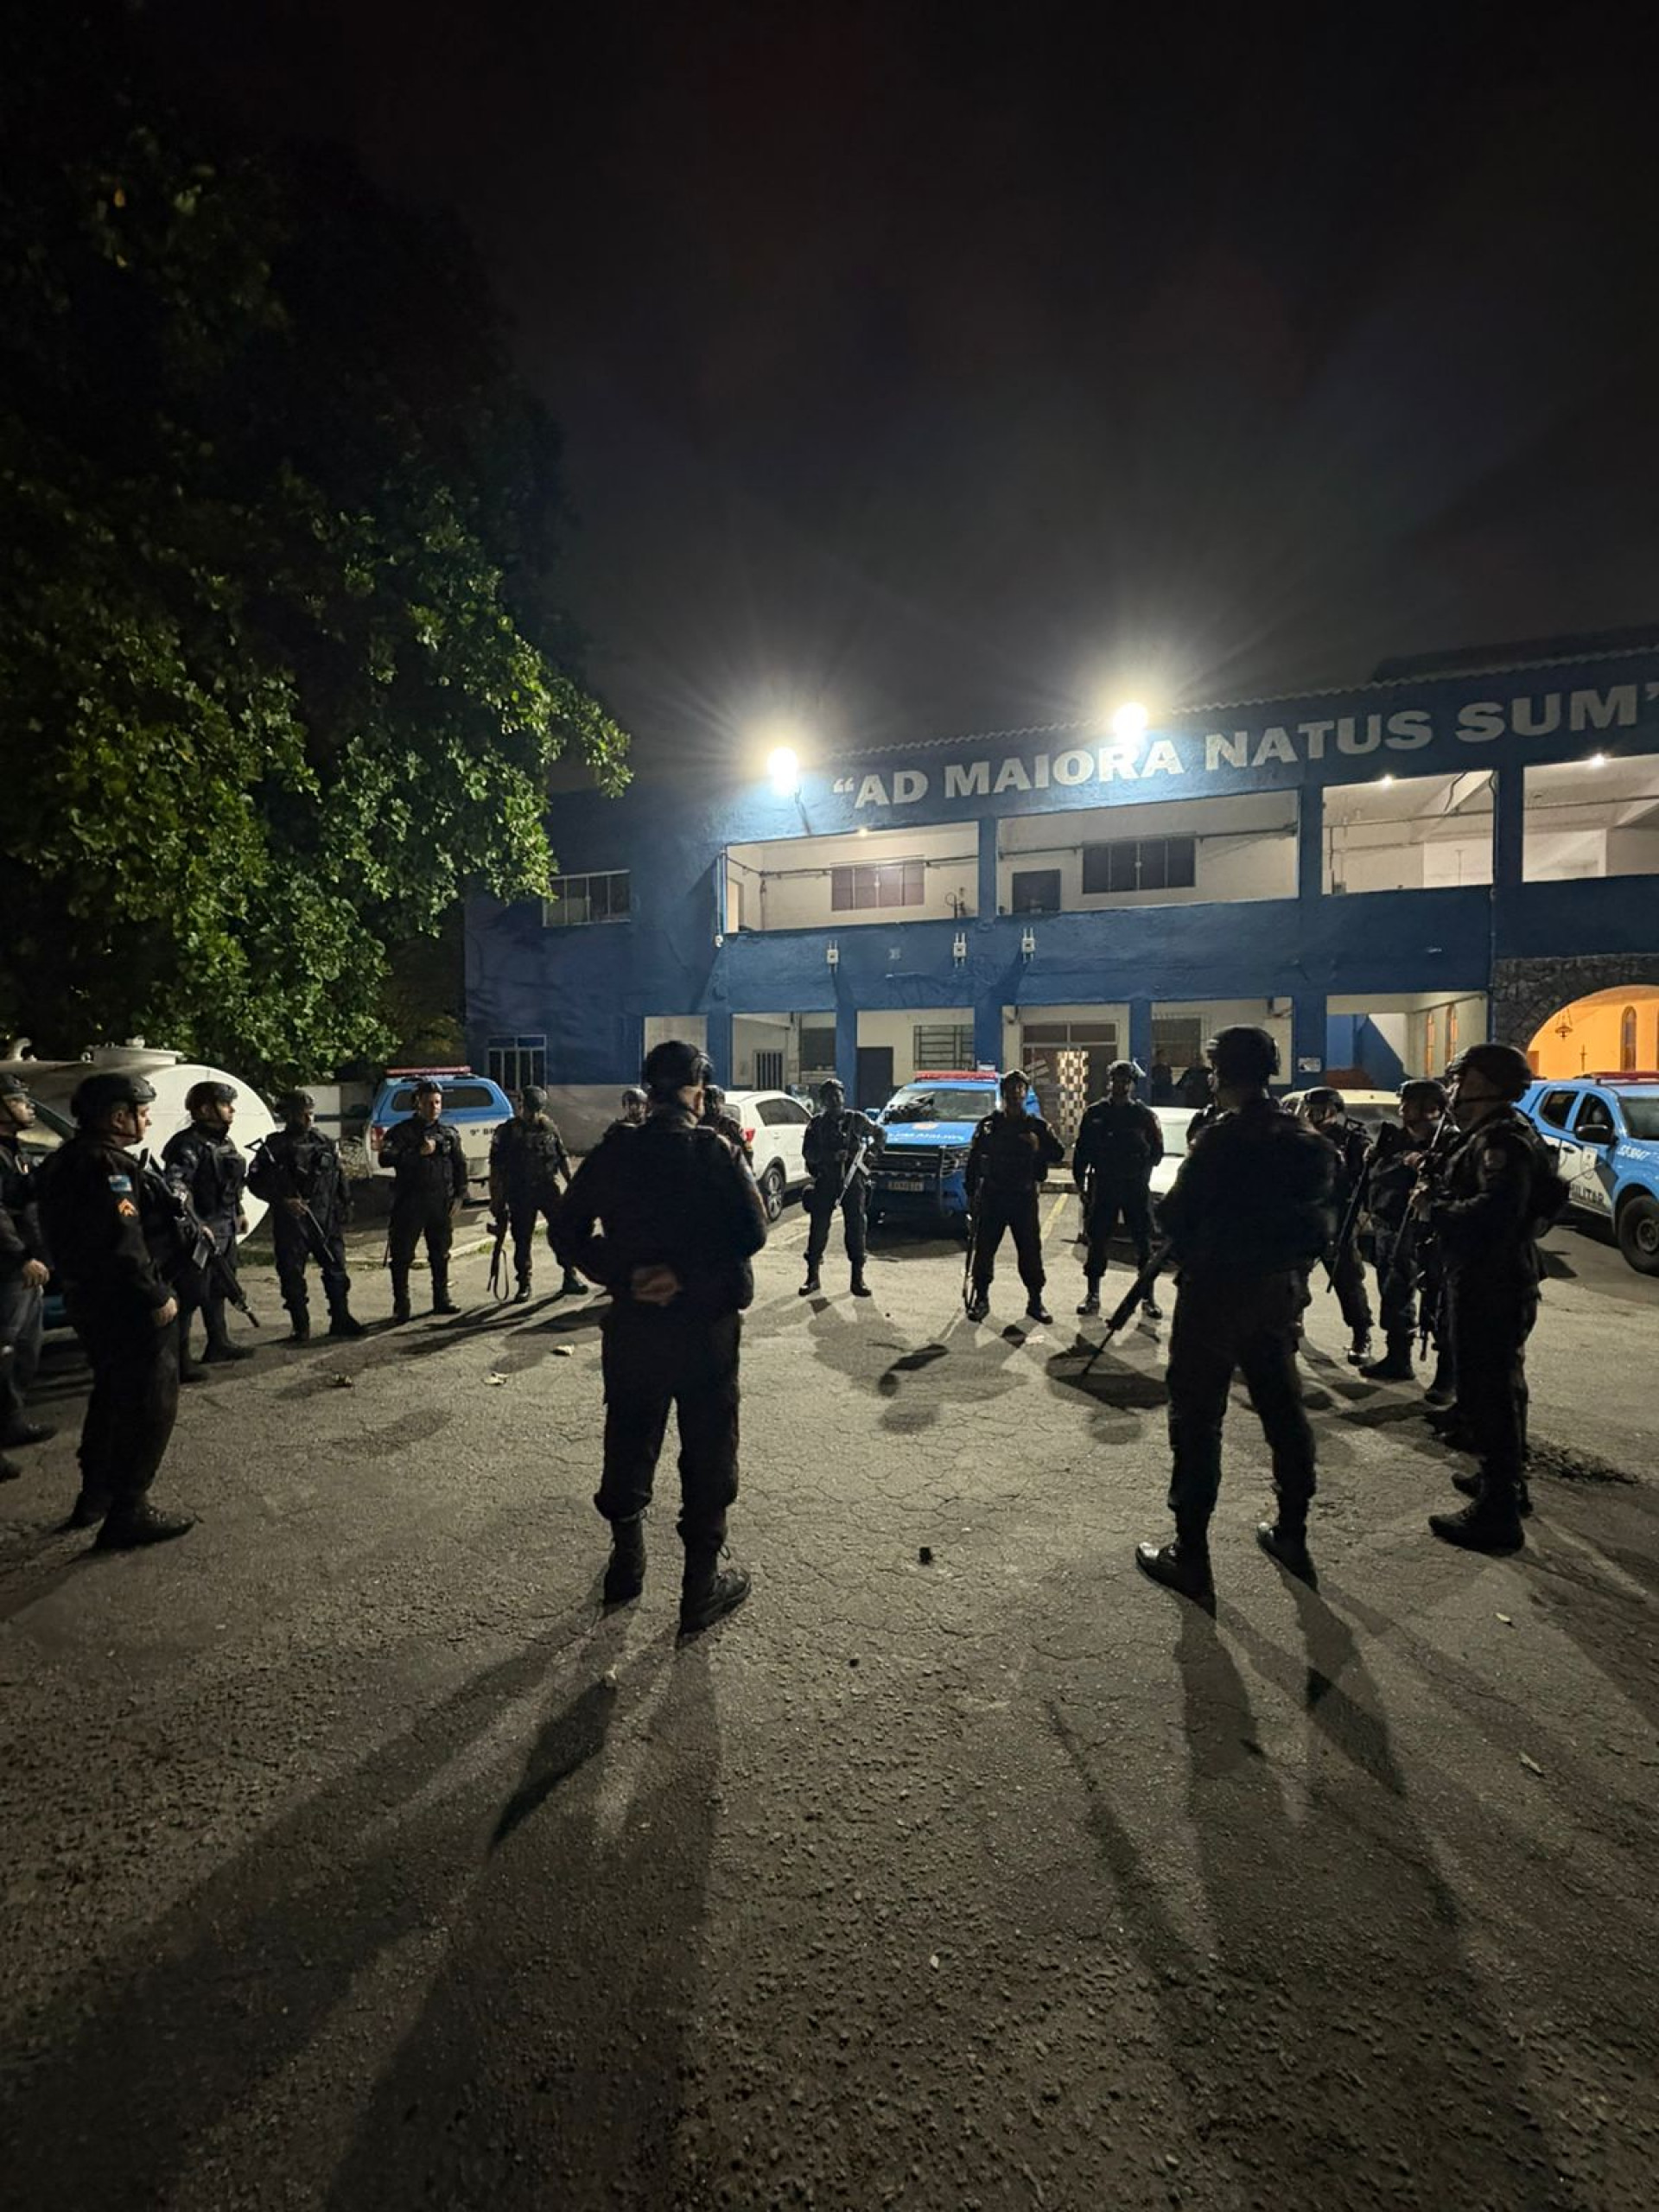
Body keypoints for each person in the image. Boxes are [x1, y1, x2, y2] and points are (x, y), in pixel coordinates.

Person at [555, 1039, 769, 1636]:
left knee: (629, 1436)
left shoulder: (617, 1150)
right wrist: (688, 1276)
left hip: (636, 1328)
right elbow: (752, 1234)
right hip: (704, 1331)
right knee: (707, 1451)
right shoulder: (714, 1151)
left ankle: (627, 1563)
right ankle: (699, 1588)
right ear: (696, 1085)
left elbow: (567, 1229)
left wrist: (626, 1275)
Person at [1135, 1027, 1336, 1600]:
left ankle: (1190, 1554)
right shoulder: (1306, 1138)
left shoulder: (1223, 1139)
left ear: (1221, 1072)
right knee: (1283, 1410)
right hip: (1278, 1293)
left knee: (1198, 1421)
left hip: (1217, 1295)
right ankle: (1292, 1530)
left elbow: (1170, 1216)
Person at [34, 1072, 194, 1548]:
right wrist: (155, 1295)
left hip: (92, 1299)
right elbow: (124, 1244)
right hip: (126, 1303)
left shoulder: (65, 1160)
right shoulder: (108, 1168)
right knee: (149, 1403)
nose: (145, 1119)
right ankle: (130, 1507)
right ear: (117, 1116)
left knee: (110, 1393)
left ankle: (96, 1495)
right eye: (140, 1112)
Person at [1420, 1043, 1558, 1554]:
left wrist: (1434, 1208)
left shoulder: (1500, 1139)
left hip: (1491, 1281)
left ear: (1486, 1082)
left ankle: (1497, 1513)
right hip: (1496, 1278)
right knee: (1502, 1386)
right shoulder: (1493, 1134)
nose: (1453, 1088)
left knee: (1489, 1393)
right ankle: (1505, 1482)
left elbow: (1494, 1213)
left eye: (1462, 1077)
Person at [246, 1090, 364, 1343]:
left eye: (310, 1114)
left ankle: (341, 1318)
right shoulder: (274, 1146)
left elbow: (338, 1174)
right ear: (289, 1116)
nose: (309, 1119)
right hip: (292, 1220)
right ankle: (301, 1325)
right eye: (303, 1115)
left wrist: (345, 1202)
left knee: (336, 1269)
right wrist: (283, 1200)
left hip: (325, 1216)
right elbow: (255, 1182)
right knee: (291, 1274)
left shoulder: (324, 1142)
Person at [1358, 1078, 1447, 1383]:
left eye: (1411, 1102)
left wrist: (1421, 1165)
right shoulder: (1393, 1139)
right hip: (1389, 1227)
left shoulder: (1444, 1143)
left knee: (1438, 1302)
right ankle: (1398, 1357)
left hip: (1426, 1232)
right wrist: (1373, 1159)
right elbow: (1378, 1179)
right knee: (1393, 1294)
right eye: (1404, 1101)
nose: (1403, 1107)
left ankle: (1446, 1375)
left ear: (1430, 1108)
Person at [162, 1079, 251, 1376]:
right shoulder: (187, 1145)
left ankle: (218, 1342)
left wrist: (238, 1212)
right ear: (204, 1110)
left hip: (224, 1226)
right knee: (190, 1294)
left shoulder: (224, 1143)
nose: (232, 1110)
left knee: (220, 1287)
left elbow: (231, 1183)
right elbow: (177, 1187)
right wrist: (195, 1225)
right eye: (226, 1105)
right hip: (200, 1232)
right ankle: (181, 1360)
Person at [964, 1070, 1065, 1325]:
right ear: (1003, 1094)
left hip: (1023, 1197)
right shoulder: (990, 1126)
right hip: (993, 1197)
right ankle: (982, 1299)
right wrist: (970, 1195)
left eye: (1020, 1090)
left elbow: (1058, 1153)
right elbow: (974, 1162)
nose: (1015, 1094)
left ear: (1025, 1094)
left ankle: (1035, 1301)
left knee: (1030, 1251)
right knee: (985, 1250)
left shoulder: (1036, 1126)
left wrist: (1037, 1146)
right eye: (1010, 1090)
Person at [1072, 1059, 1165, 1319]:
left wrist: (1142, 1175)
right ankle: (1092, 1295)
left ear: (1132, 1085)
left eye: (1125, 1081)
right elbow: (1082, 1153)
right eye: (1116, 1080)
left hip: (1135, 1187)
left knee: (1144, 1244)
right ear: (1109, 1082)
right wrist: (1082, 1186)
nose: (1120, 1085)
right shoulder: (1095, 1113)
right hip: (1105, 1186)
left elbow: (1157, 1152)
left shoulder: (1144, 1116)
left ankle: (1148, 1297)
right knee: (1097, 1242)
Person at [382, 1077, 469, 1321]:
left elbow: (460, 1166)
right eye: (429, 1103)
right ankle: (402, 1304)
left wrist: (460, 1196)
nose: (434, 1107)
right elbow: (385, 1158)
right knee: (402, 1256)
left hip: (440, 1204)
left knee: (440, 1254)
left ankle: (441, 1299)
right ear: (417, 1104)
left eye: (438, 1102)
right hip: (409, 1203)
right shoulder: (402, 1131)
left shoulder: (448, 1133)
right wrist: (415, 1153)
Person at [488, 1085, 584, 1302]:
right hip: (520, 1191)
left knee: (562, 1232)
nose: (532, 1115)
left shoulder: (549, 1128)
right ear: (521, 1106)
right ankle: (524, 1282)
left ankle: (570, 1275)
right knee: (522, 1239)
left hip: (547, 1188)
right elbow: (496, 1168)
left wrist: (573, 1186)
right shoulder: (508, 1132)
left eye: (536, 1110)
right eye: (528, 1109)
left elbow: (562, 1156)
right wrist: (496, 1199)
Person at [1, 1073, 54, 1470]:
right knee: (4, 1346)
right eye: (18, 1100)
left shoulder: (12, 1151)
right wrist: (21, 1256)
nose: (28, 1106)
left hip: (25, 1266)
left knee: (23, 1345)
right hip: (8, 1267)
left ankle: (11, 1418)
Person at [1300, 1086, 1375, 1364]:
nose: (1312, 1116)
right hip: (1304, 1216)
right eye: (1309, 1111)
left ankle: (1361, 1333)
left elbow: (1364, 1174)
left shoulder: (1350, 1140)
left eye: (1318, 1111)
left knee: (1347, 1279)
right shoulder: (1300, 1138)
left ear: (1334, 1111)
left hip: (1338, 1216)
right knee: (1293, 1276)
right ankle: (1292, 1324)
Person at [800, 1077, 884, 1298]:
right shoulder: (817, 1124)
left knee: (856, 1228)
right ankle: (812, 1275)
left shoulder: (857, 1120)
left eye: (837, 1094)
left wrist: (874, 1153)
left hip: (853, 1180)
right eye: (829, 1096)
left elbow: (880, 1133)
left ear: (843, 1097)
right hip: (826, 1180)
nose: (834, 1099)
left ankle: (857, 1278)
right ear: (823, 1101)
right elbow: (808, 1152)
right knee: (818, 1229)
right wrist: (830, 1156)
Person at [702, 1083, 754, 1166]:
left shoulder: (730, 1125)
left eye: (716, 1101)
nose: (712, 1106)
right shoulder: (697, 1124)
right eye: (707, 1101)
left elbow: (747, 1149)